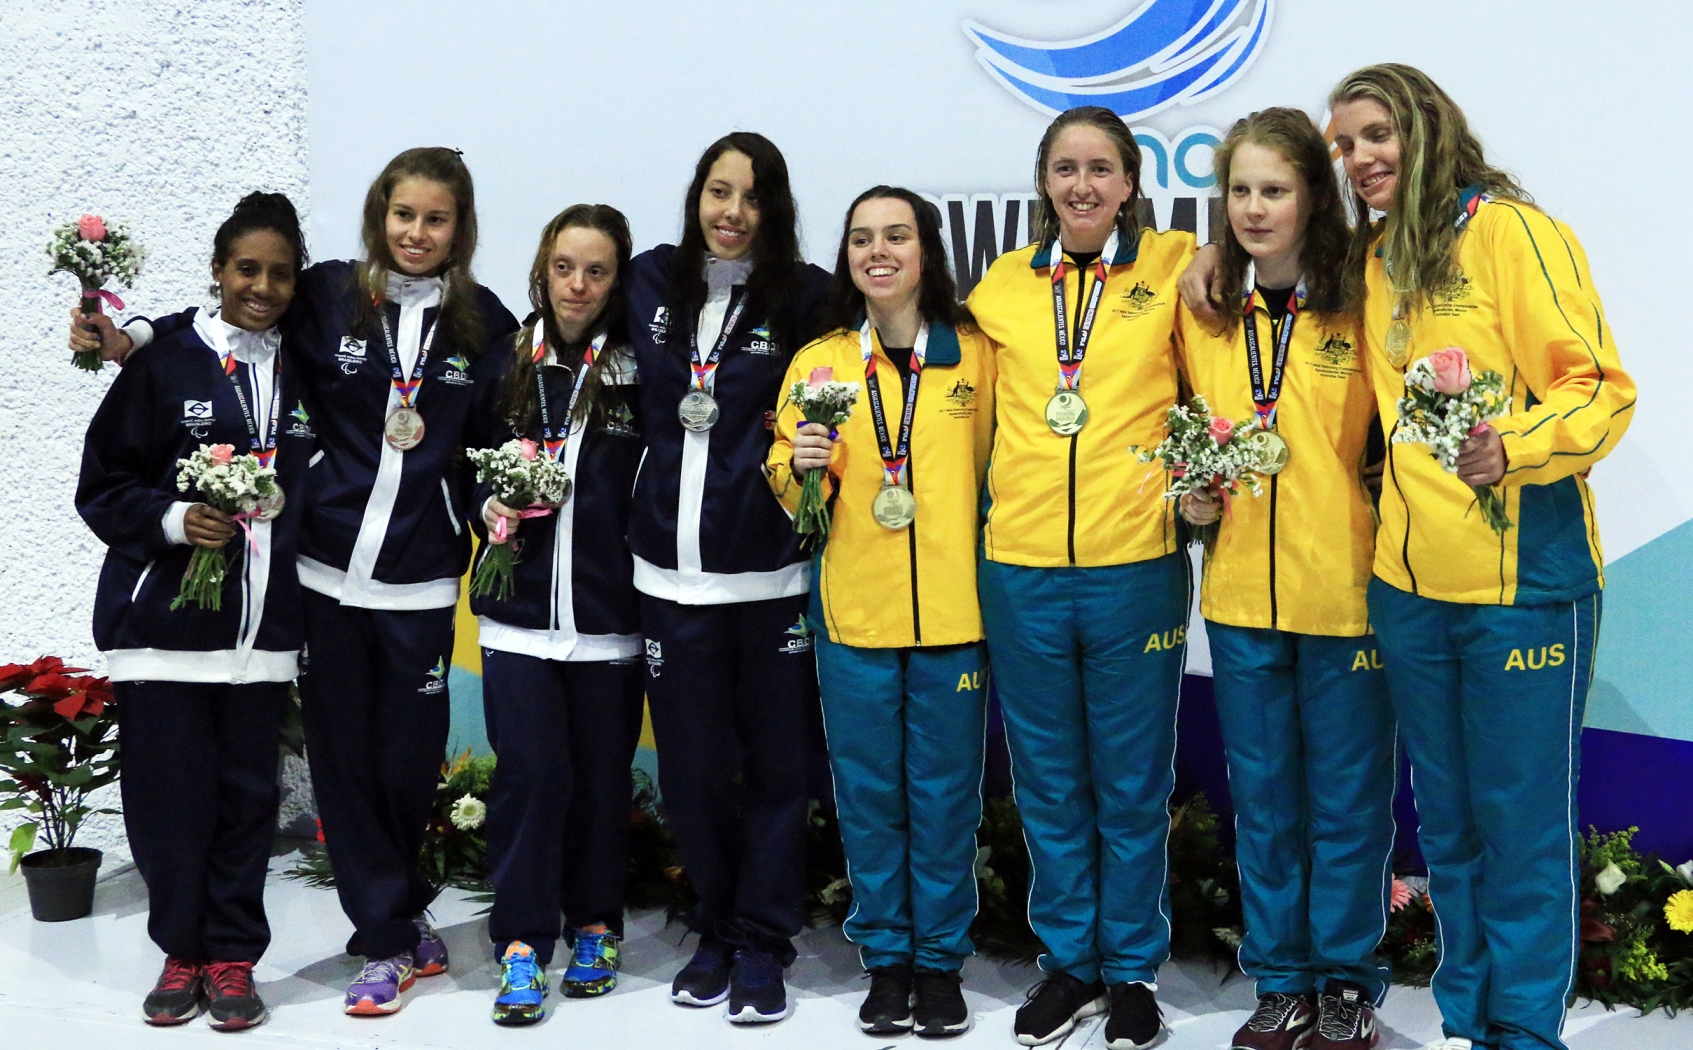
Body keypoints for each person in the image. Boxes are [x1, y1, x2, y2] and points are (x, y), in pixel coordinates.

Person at [73, 148, 520, 1016]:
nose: (416, 233)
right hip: (321, 581)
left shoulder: (483, 323)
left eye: (435, 219)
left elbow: (511, 412)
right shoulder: (325, 295)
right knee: (345, 771)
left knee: (406, 768)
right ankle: (382, 936)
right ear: (376, 218)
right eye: (402, 215)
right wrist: (132, 337)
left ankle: (397, 908)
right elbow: (230, 315)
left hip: (421, 585)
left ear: (459, 229)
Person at [1329, 64, 1634, 1050]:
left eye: (1375, 134)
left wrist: (1516, 447)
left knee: (1521, 830)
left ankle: (1525, 1034)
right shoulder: (1375, 257)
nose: (1359, 158)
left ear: (1427, 131)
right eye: (1343, 144)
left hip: (1522, 587)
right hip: (1411, 591)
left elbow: (1598, 391)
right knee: (1450, 829)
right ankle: (1470, 1021)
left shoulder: (1511, 231)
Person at [964, 105, 1196, 1049]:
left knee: (1131, 783)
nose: (1083, 186)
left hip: (1133, 566)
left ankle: (1132, 968)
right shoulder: (1001, 286)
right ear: (1043, 181)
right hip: (1020, 567)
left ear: (1131, 183)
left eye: (1101, 169)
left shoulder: (1177, 267)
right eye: (1066, 169)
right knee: (1051, 782)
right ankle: (1069, 964)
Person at [1173, 108, 1396, 1050]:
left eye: (1275, 189)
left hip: (1343, 595)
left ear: (1313, 195)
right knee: (1263, 802)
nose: (1256, 209)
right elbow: (1190, 436)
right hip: (1237, 601)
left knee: (1344, 805)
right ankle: (1281, 979)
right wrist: (1189, 501)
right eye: (1240, 192)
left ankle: (1347, 981)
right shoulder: (1206, 310)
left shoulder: (1362, 299)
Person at [76, 192, 312, 1032]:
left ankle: (233, 956)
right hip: (163, 634)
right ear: (217, 271)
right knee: (170, 804)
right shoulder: (165, 362)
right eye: (246, 269)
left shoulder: (305, 363)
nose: (262, 286)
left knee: (249, 802)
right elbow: (101, 486)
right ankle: (181, 949)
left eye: (280, 273)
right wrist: (176, 522)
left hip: (260, 639)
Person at [767, 186, 996, 1038]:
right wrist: (802, 465)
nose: (878, 251)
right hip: (854, 615)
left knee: (942, 798)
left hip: (953, 617)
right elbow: (787, 483)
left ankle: (937, 962)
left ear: (926, 250)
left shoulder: (975, 358)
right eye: (861, 238)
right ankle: (886, 960)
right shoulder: (819, 363)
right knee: (869, 796)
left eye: (895, 235)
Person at [622, 131, 831, 1024]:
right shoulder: (648, 281)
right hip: (669, 582)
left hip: (768, 579)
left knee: (778, 772)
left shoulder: (809, 297)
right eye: (717, 191)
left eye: (750, 196)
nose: (731, 213)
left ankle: (762, 940)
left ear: (773, 207)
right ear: (696, 196)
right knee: (695, 773)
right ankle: (712, 925)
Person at [466, 204, 644, 1025]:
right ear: (542, 267)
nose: (578, 286)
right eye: (566, 267)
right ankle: (523, 942)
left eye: (597, 270)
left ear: (618, 280)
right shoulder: (505, 358)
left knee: (601, 783)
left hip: (608, 621)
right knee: (531, 780)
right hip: (517, 619)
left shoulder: (636, 368)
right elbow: (463, 464)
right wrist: (491, 504)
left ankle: (597, 924)